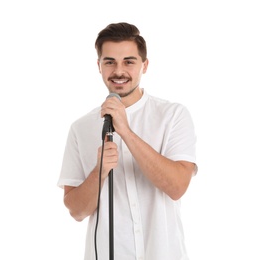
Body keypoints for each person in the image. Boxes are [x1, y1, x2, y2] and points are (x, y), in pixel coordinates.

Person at [57, 22, 198, 260]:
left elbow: (177, 187)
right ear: (99, 66)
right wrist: (99, 172)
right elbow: (76, 211)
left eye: (129, 62)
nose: (118, 70)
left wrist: (127, 133)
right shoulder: (80, 128)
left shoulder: (173, 115)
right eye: (109, 61)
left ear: (145, 65)